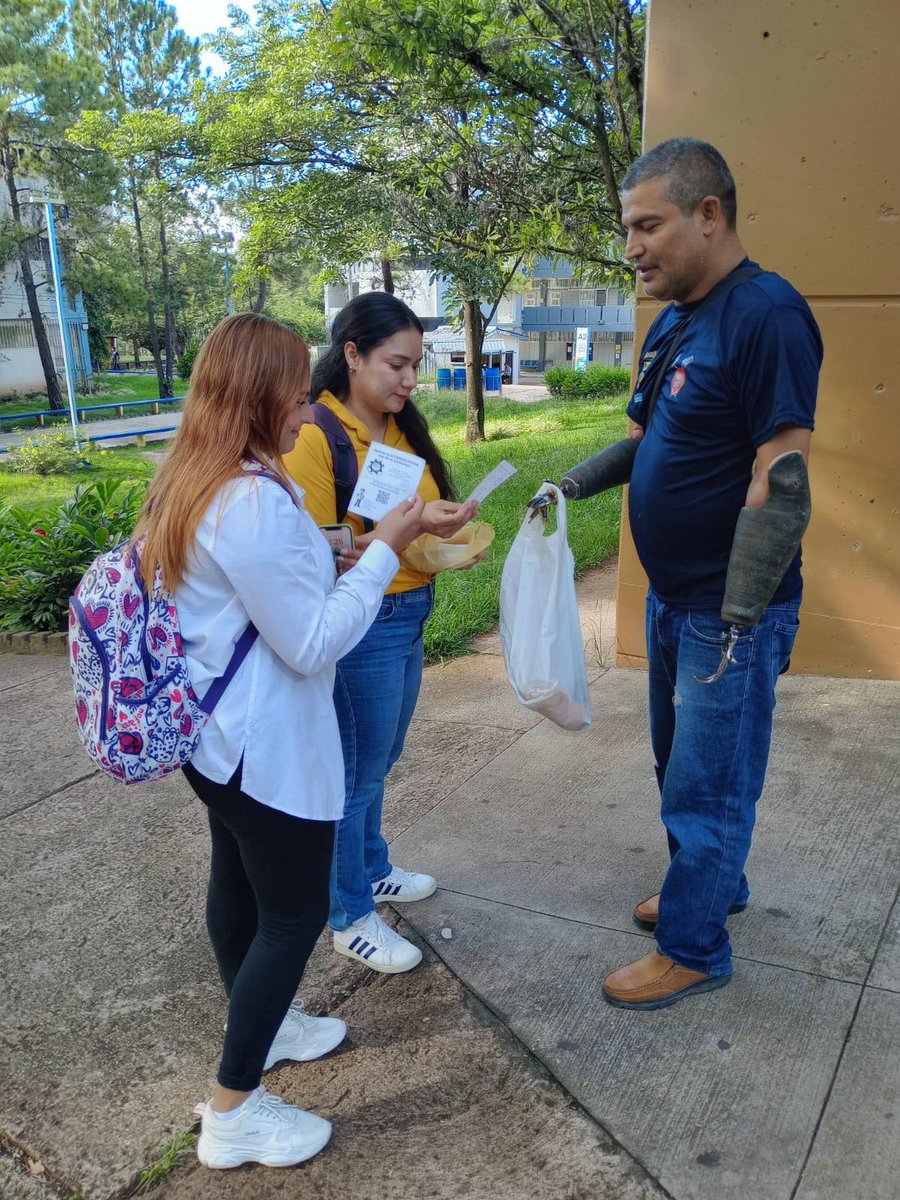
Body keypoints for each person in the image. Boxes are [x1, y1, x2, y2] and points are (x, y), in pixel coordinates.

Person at [133, 313, 423, 1168]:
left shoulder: (197, 475)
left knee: (239, 888)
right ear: (257, 400)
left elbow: (276, 567)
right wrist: (386, 555)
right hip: (263, 750)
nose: (305, 413)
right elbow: (312, 641)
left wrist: (358, 541)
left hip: (215, 741)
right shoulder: (250, 497)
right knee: (293, 918)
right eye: (295, 396)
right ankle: (233, 1110)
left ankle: (270, 1024)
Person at [582, 138, 822, 1009]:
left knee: (708, 780)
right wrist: (568, 485)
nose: (632, 246)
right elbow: (648, 441)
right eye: (626, 229)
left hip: (726, 611)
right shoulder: (677, 318)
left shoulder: (768, 314)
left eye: (648, 225)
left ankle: (694, 945)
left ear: (709, 213)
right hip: (673, 601)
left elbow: (782, 481)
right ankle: (712, 883)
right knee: (678, 765)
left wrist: (739, 620)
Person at [284, 292, 478, 974]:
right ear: (353, 355)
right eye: (396, 364)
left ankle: (371, 866)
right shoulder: (316, 435)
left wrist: (440, 533)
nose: (409, 381)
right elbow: (311, 552)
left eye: (416, 366)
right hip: (361, 623)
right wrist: (398, 536)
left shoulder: (399, 432)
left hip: (407, 613)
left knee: (381, 758)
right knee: (356, 775)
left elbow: (405, 530)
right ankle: (349, 915)